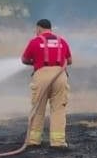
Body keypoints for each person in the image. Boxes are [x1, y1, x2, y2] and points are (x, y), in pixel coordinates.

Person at [21, 19, 72, 149]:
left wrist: (36, 62)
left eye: (36, 30)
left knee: (38, 109)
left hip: (41, 75)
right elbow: (69, 61)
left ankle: (33, 140)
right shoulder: (62, 41)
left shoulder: (35, 42)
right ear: (51, 29)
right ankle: (58, 142)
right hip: (60, 76)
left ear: (39, 28)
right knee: (58, 109)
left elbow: (24, 59)